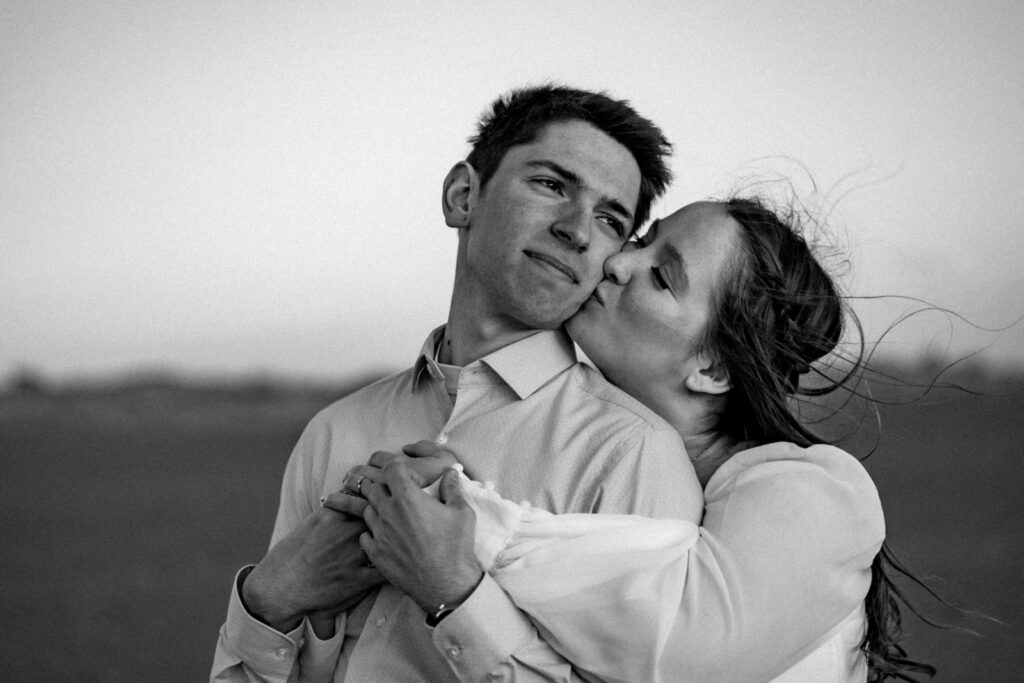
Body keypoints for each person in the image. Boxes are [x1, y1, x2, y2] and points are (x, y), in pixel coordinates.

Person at [324, 198, 936, 681]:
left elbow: (681, 652)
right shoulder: (596, 458)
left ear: (714, 369)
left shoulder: (814, 491)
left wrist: (466, 535)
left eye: (662, 276)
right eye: (644, 239)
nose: (618, 261)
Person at [210, 85, 701, 682]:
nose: (577, 230)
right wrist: (272, 596)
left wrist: (454, 595)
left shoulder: (633, 454)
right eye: (551, 185)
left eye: (609, 219)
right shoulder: (335, 430)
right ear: (463, 195)